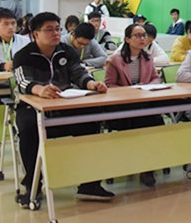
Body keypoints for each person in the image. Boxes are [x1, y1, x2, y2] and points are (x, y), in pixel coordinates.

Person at [13, 12, 113, 205]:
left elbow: (78, 72)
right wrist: (39, 89)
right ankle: (33, 186)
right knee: (29, 129)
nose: (56, 33)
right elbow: (23, 80)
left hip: (64, 104)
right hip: (32, 107)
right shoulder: (24, 55)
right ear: (36, 33)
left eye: (58, 29)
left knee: (91, 121)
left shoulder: (67, 51)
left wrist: (91, 84)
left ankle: (89, 184)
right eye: (49, 29)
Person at [104, 23, 165, 187]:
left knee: (155, 120)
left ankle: (148, 166)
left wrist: (147, 86)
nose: (142, 39)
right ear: (127, 39)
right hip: (122, 106)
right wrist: (130, 91)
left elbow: (156, 78)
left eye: (144, 35)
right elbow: (109, 86)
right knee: (142, 121)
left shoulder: (148, 58)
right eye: (137, 35)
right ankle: (139, 165)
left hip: (142, 102)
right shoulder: (114, 60)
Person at [0, 8, 31, 72]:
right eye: (6, 24)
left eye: (13, 23)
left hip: (20, 76)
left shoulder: (25, 41)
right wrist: (3, 66)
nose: (10, 27)